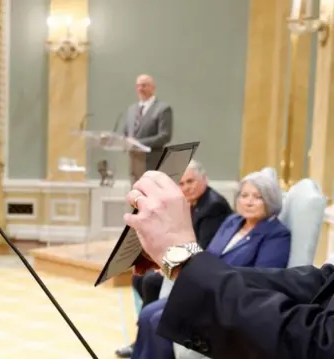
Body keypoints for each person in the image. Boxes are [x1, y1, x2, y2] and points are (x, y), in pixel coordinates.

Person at [125, 170, 334, 358]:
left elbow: (319, 343)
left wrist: (187, 263)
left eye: (257, 197)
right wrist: (190, 268)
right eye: (244, 195)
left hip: (244, 305)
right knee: (150, 312)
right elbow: (319, 283)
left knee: (157, 318)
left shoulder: (275, 234)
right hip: (228, 289)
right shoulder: (233, 222)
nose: (249, 202)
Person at [118, 160, 232, 357]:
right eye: (182, 183)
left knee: (151, 281)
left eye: (191, 182)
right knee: (139, 277)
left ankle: (148, 337)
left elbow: (202, 246)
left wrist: (167, 261)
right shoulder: (190, 203)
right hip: (186, 258)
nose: (186, 187)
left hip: (198, 265)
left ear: (204, 180)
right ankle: (143, 337)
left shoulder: (213, 206)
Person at [116, 74, 173, 185]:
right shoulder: (131, 109)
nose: (140, 89)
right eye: (137, 86)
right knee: (135, 197)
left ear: (153, 88)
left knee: (150, 197)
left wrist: (137, 143)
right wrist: (122, 141)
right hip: (134, 163)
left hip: (152, 163)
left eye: (144, 85)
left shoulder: (163, 109)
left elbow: (165, 136)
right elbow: (126, 133)